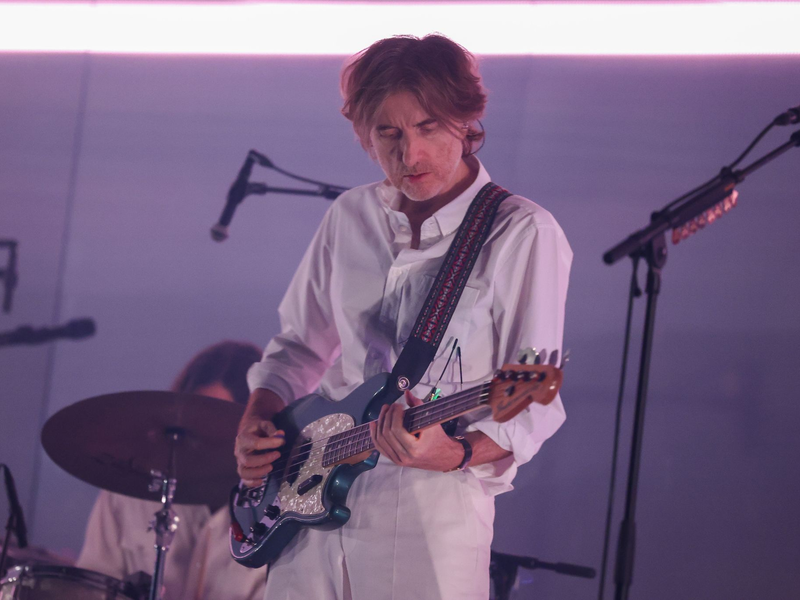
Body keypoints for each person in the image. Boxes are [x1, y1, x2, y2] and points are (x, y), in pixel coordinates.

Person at [235, 34, 572, 600]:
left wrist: (457, 452)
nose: (408, 154)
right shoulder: (349, 215)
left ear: (466, 122)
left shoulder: (522, 232)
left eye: (428, 127)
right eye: (388, 133)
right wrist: (255, 423)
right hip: (305, 509)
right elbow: (296, 348)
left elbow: (534, 400)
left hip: (429, 514)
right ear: (364, 135)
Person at [77, 341, 267, 600]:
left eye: (221, 427)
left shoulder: (275, 515)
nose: (205, 439)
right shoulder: (126, 492)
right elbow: (91, 585)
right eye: (195, 422)